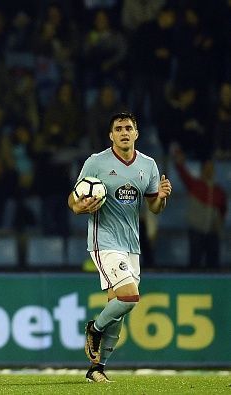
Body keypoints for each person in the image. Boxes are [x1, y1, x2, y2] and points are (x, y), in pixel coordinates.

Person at [68, 112, 172, 382]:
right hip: (104, 241)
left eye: (129, 128)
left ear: (136, 134)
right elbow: (73, 199)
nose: (124, 132)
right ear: (111, 135)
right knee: (130, 296)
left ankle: (97, 369)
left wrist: (161, 198)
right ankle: (95, 328)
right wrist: (80, 207)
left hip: (131, 245)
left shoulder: (148, 166)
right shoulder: (96, 162)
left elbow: (154, 208)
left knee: (120, 308)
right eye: (118, 128)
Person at [173, 148, 227, 268]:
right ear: (202, 170)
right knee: (195, 263)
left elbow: (223, 209)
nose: (209, 171)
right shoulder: (195, 185)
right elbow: (182, 173)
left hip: (213, 232)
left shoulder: (219, 191)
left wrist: (217, 225)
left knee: (213, 265)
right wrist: (178, 160)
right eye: (207, 168)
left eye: (211, 169)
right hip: (196, 230)